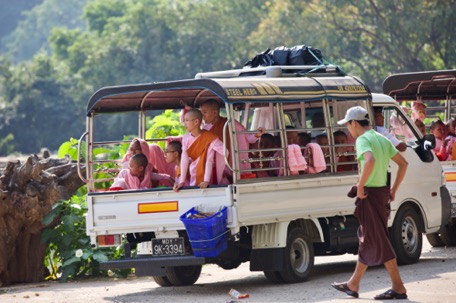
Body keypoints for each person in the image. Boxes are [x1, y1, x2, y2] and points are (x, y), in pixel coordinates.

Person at [332, 106, 408, 300]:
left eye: (348, 124)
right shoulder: (381, 138)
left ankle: (398, 287)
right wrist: (393, 190)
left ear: (354, 123)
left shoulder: (363, 140)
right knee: (368, 238)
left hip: (370, 196)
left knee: (377, 239)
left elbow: (370, 160)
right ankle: (353, 284)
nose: (348, 129)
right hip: (382, 194)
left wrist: (360, 186)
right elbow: (403, 163)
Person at [199, 99, 265, 172]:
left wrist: (257, 134)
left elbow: (249, 137)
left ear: (215, 112)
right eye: (201, 113)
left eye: (205, 112)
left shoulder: (231, 124)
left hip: (234, 164)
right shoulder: (205, 129)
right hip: (215, 166)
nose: (202, 116)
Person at [174, 109, 227, 191]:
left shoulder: (209, 138)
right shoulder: (186, 138)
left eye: (187, 120)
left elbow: (210, 160)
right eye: (184, 120)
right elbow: (184, 159)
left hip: (208, 177)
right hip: (193, 174)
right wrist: (182, 181)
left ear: (196, 122)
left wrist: (206, 180)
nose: (185, 123)